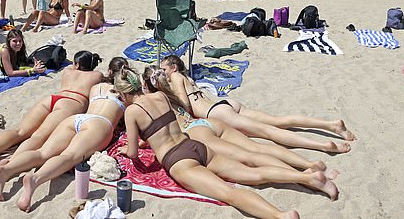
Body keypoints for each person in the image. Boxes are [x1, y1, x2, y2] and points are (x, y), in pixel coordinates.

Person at [114, 68, 300, 219]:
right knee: (252, 172)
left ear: (124, 93)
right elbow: (162, 125)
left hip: (178, 160)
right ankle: (307, 177)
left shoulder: (132, 112)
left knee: (229, 194)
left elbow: (133, 154)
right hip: (194, 144)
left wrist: (127, 148)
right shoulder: (161, 97)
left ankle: (281, 216)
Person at [142, 66, 336, 176]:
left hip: (195, 131)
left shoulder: (153, 102)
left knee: (249, 157)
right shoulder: (174, 93)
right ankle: (309, 163)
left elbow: (151, 137)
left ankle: (304, 175)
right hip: (211, 122)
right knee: (258, 147)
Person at [160, 55, 353, 153]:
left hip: (217, 113)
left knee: (269, 132)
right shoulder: (187, 77)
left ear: (174, 67)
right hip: (225, 104)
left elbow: (185, 103)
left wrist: (170, 98)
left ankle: (322, 145)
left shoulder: (176, 77)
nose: (163, 73)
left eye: (164, 69)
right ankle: (331, 125)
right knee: (278, 121)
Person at [0, 50, 103, 182]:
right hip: (71, 103)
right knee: (37, 137)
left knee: (20, 131)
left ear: (76, 64)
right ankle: (6, 167)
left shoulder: (68, 71)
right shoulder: (96, 76)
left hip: (52, 99)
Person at [0, 79, 126, 209]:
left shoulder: (97, 87)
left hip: (78, 119)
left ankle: (6, 170)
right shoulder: (127, 94)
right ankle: (35, 179)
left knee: (42, 152)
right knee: (69, 156)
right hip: (100, 124)